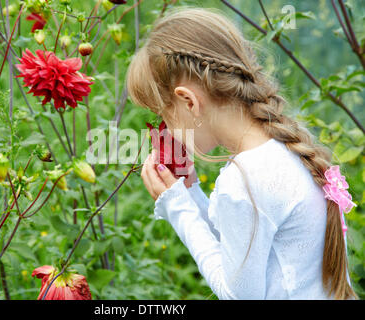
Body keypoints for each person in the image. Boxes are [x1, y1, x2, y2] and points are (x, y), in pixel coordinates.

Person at [126, 7, 357, 300]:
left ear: (188, 101)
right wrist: (190, 192)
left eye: (163, 113)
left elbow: (238, 294)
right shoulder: (283, 149)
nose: (166, 128)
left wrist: (177, 208)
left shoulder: (245, 181)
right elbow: (242, 250)